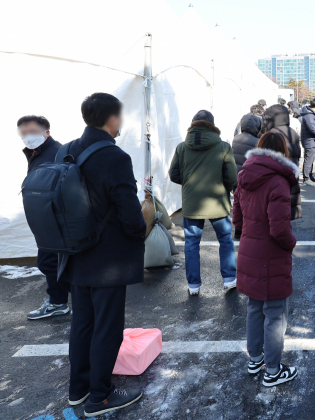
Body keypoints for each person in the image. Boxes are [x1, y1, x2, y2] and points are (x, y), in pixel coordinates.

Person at [61, 93, 146, 416]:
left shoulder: (67, 149)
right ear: (111, 118)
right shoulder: (115, 158)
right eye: (119, 116)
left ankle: (78, 390)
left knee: (82, 323)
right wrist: (141, 230)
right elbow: (130, 217)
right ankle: (100, 396)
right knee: (107, 328)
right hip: (108, 260)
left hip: (75, 254)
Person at [233, 131, 299, 387]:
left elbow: (237, 219)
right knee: (274, 313)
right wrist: (291, 244)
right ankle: (272, 370)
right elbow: (280, 230)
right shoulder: (278, 182)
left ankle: (255, 359)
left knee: (254, 308)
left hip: (250, 251)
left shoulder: (245, 176)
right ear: (282, 152)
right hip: (270, 256)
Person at [169, 110, 238, 296]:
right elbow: (231, 176)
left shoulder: (182, 147)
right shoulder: (223, 146)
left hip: (192, 204)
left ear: (193, 125)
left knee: (191, 243)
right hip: (217, 202)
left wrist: (190, 184)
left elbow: (173, 174)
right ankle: (229, 279)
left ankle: (193, 286)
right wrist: (222, 187)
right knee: (225, 240)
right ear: (212, 125)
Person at [18, 115, 71, 320]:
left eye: (31, 131)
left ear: (46, 132)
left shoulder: (55, 152)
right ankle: (59, 301)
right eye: (23, 133)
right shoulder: (37, 152)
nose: (27, 136)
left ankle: (65, 300)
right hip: (46, 217)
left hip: (54, 218)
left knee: (49, 262)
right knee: (51, 261)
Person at [262, 104, 302, 220]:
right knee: (286, 214)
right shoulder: (292, 132)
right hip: (291, 175)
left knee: (274, 215)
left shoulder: (271, 134)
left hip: (274, 179)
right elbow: (298, 154)